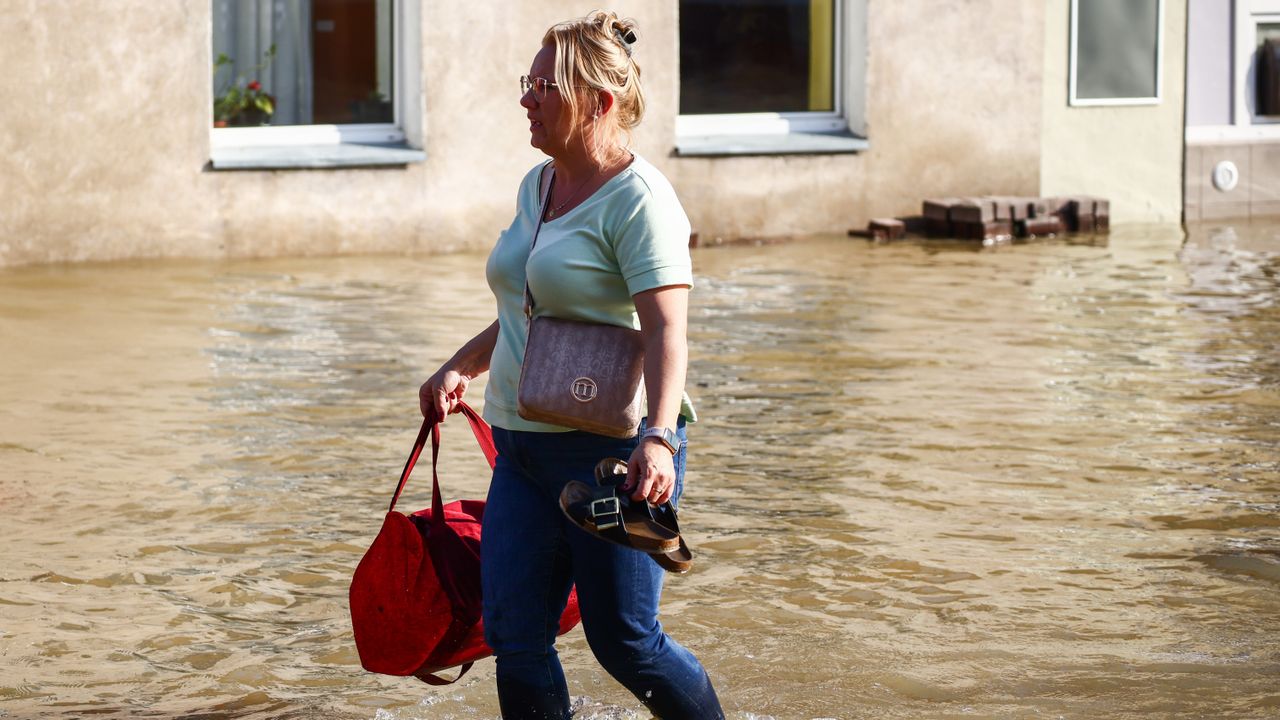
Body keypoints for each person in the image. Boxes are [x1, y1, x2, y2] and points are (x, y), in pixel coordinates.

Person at [418, 10, 724, 720]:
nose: (525, 98)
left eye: (542, 87)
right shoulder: (538, 184)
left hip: (610, 457)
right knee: (515, 637)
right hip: (520, 452)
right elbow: (527, 307)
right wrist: (461, 365)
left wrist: (657, 438)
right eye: (524, 83)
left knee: (626, 644)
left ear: (598, 102)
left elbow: (667, 331)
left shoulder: (641, 203)